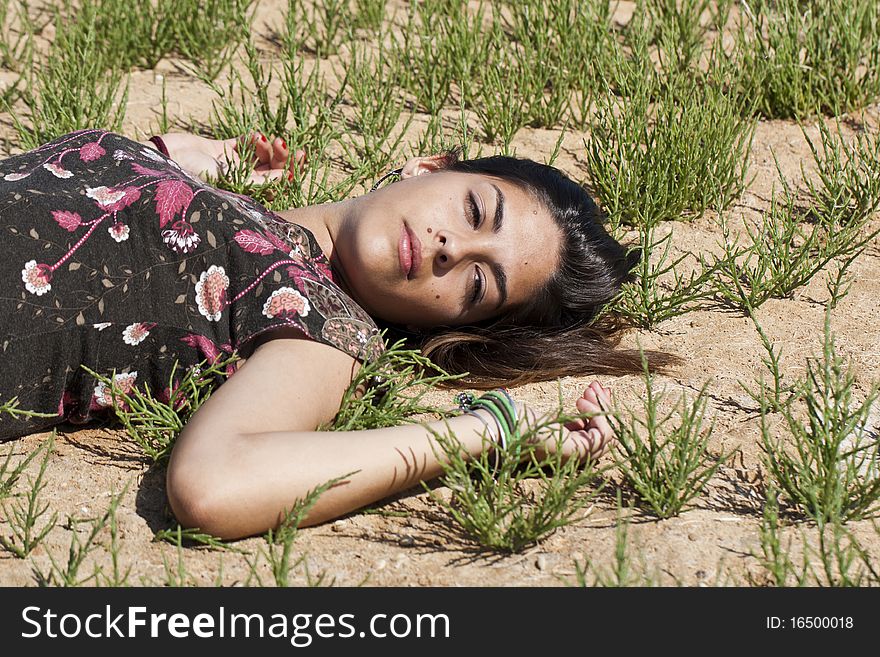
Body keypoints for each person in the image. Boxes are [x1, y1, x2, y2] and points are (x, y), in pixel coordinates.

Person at [0, 129, 648, 540]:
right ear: (427, 165)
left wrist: (484, 431)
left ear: (451, 324)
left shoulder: (316, 326)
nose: (453, 247)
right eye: (475, 210)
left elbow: (214, 483)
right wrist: (183, 159)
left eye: (478, 285)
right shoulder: (217, 194)